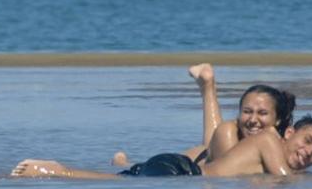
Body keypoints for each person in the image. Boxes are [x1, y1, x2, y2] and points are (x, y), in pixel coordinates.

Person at [0, 116, 312, 180]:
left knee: (115, 179)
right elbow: (285, 180)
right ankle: (52, 170)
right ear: (289, 132)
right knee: (111, 182)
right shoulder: (269, 140)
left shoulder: (269, 155)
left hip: (176, 173)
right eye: (307, 141)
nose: (308, 153)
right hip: (180, 174)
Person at [108, 63, 294, 169]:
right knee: (132, 168)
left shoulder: (277, 141)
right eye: (247, 112)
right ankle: (122, 162)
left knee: (210, 143)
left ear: (277, 119)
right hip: (180, 163)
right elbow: (230, 175)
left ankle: (207, 85)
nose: (253, 120)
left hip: (206, 151)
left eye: (262, 113)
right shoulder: (229, 131)